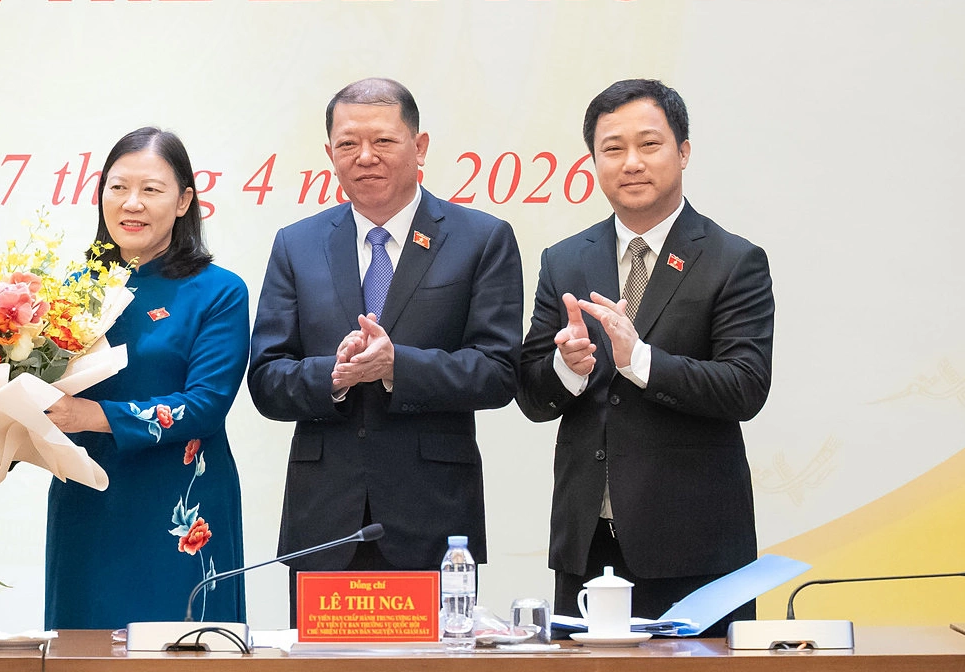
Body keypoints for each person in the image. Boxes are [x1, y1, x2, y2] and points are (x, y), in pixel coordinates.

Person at [517, 79, 774, 635]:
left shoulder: (733, 260)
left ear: (683, 152)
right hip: (587, 543)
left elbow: (745, 386)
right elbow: (533, 396)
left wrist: (640, 360)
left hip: (694, 547)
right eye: (612, 149)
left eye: (649, 144)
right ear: (594, 161)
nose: (631, 162)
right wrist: (568, 369)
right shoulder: (564, 260)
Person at [247, 78, 523, 591]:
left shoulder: (481, 239)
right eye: (348, 144)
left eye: (383, 141)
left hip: (434, 520)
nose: (365, 157)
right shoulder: (297, 244)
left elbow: (498, 371)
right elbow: (266, 379)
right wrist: (334, 375)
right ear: (330, 154)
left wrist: (398, 366)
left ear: (419, 147)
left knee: (434, 650)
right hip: (324, 523)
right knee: (321, 650)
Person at [43, 128, 251, 630]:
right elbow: (33, 391)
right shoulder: (71, 291)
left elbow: (205, 405)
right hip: (88, 501)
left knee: (181, 657)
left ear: (183, 202)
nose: (131, 203)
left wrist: (93, 415)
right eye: (117, 187)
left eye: (151, 190)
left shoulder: (219, 291)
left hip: (180, 506)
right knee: (83, 657)